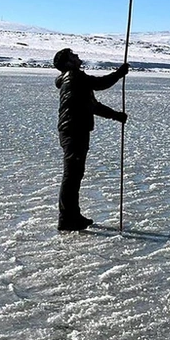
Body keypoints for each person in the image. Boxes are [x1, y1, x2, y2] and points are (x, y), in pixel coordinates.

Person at [52, 48, 129, 231]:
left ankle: (72, 215)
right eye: (73, 56)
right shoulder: (74, 76)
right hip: (73, 130)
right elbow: (100, 83)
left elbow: (91, 105)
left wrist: (116, 116)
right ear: (68, 63)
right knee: (71, 175)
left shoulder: (74, 80)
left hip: (74, 129)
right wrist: (119, 73)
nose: (77, 57)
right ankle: (66, 219)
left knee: (75, 174)